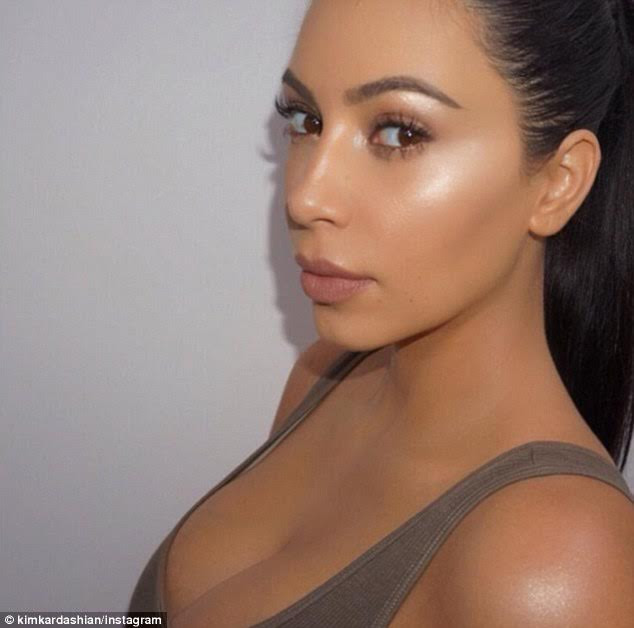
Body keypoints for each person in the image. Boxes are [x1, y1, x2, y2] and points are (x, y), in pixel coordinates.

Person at [128, 0, 634, 625]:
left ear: (559, 181)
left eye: (399, 133)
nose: (306, 195)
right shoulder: (323, 378)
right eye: (306, 120)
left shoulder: (556, 570)